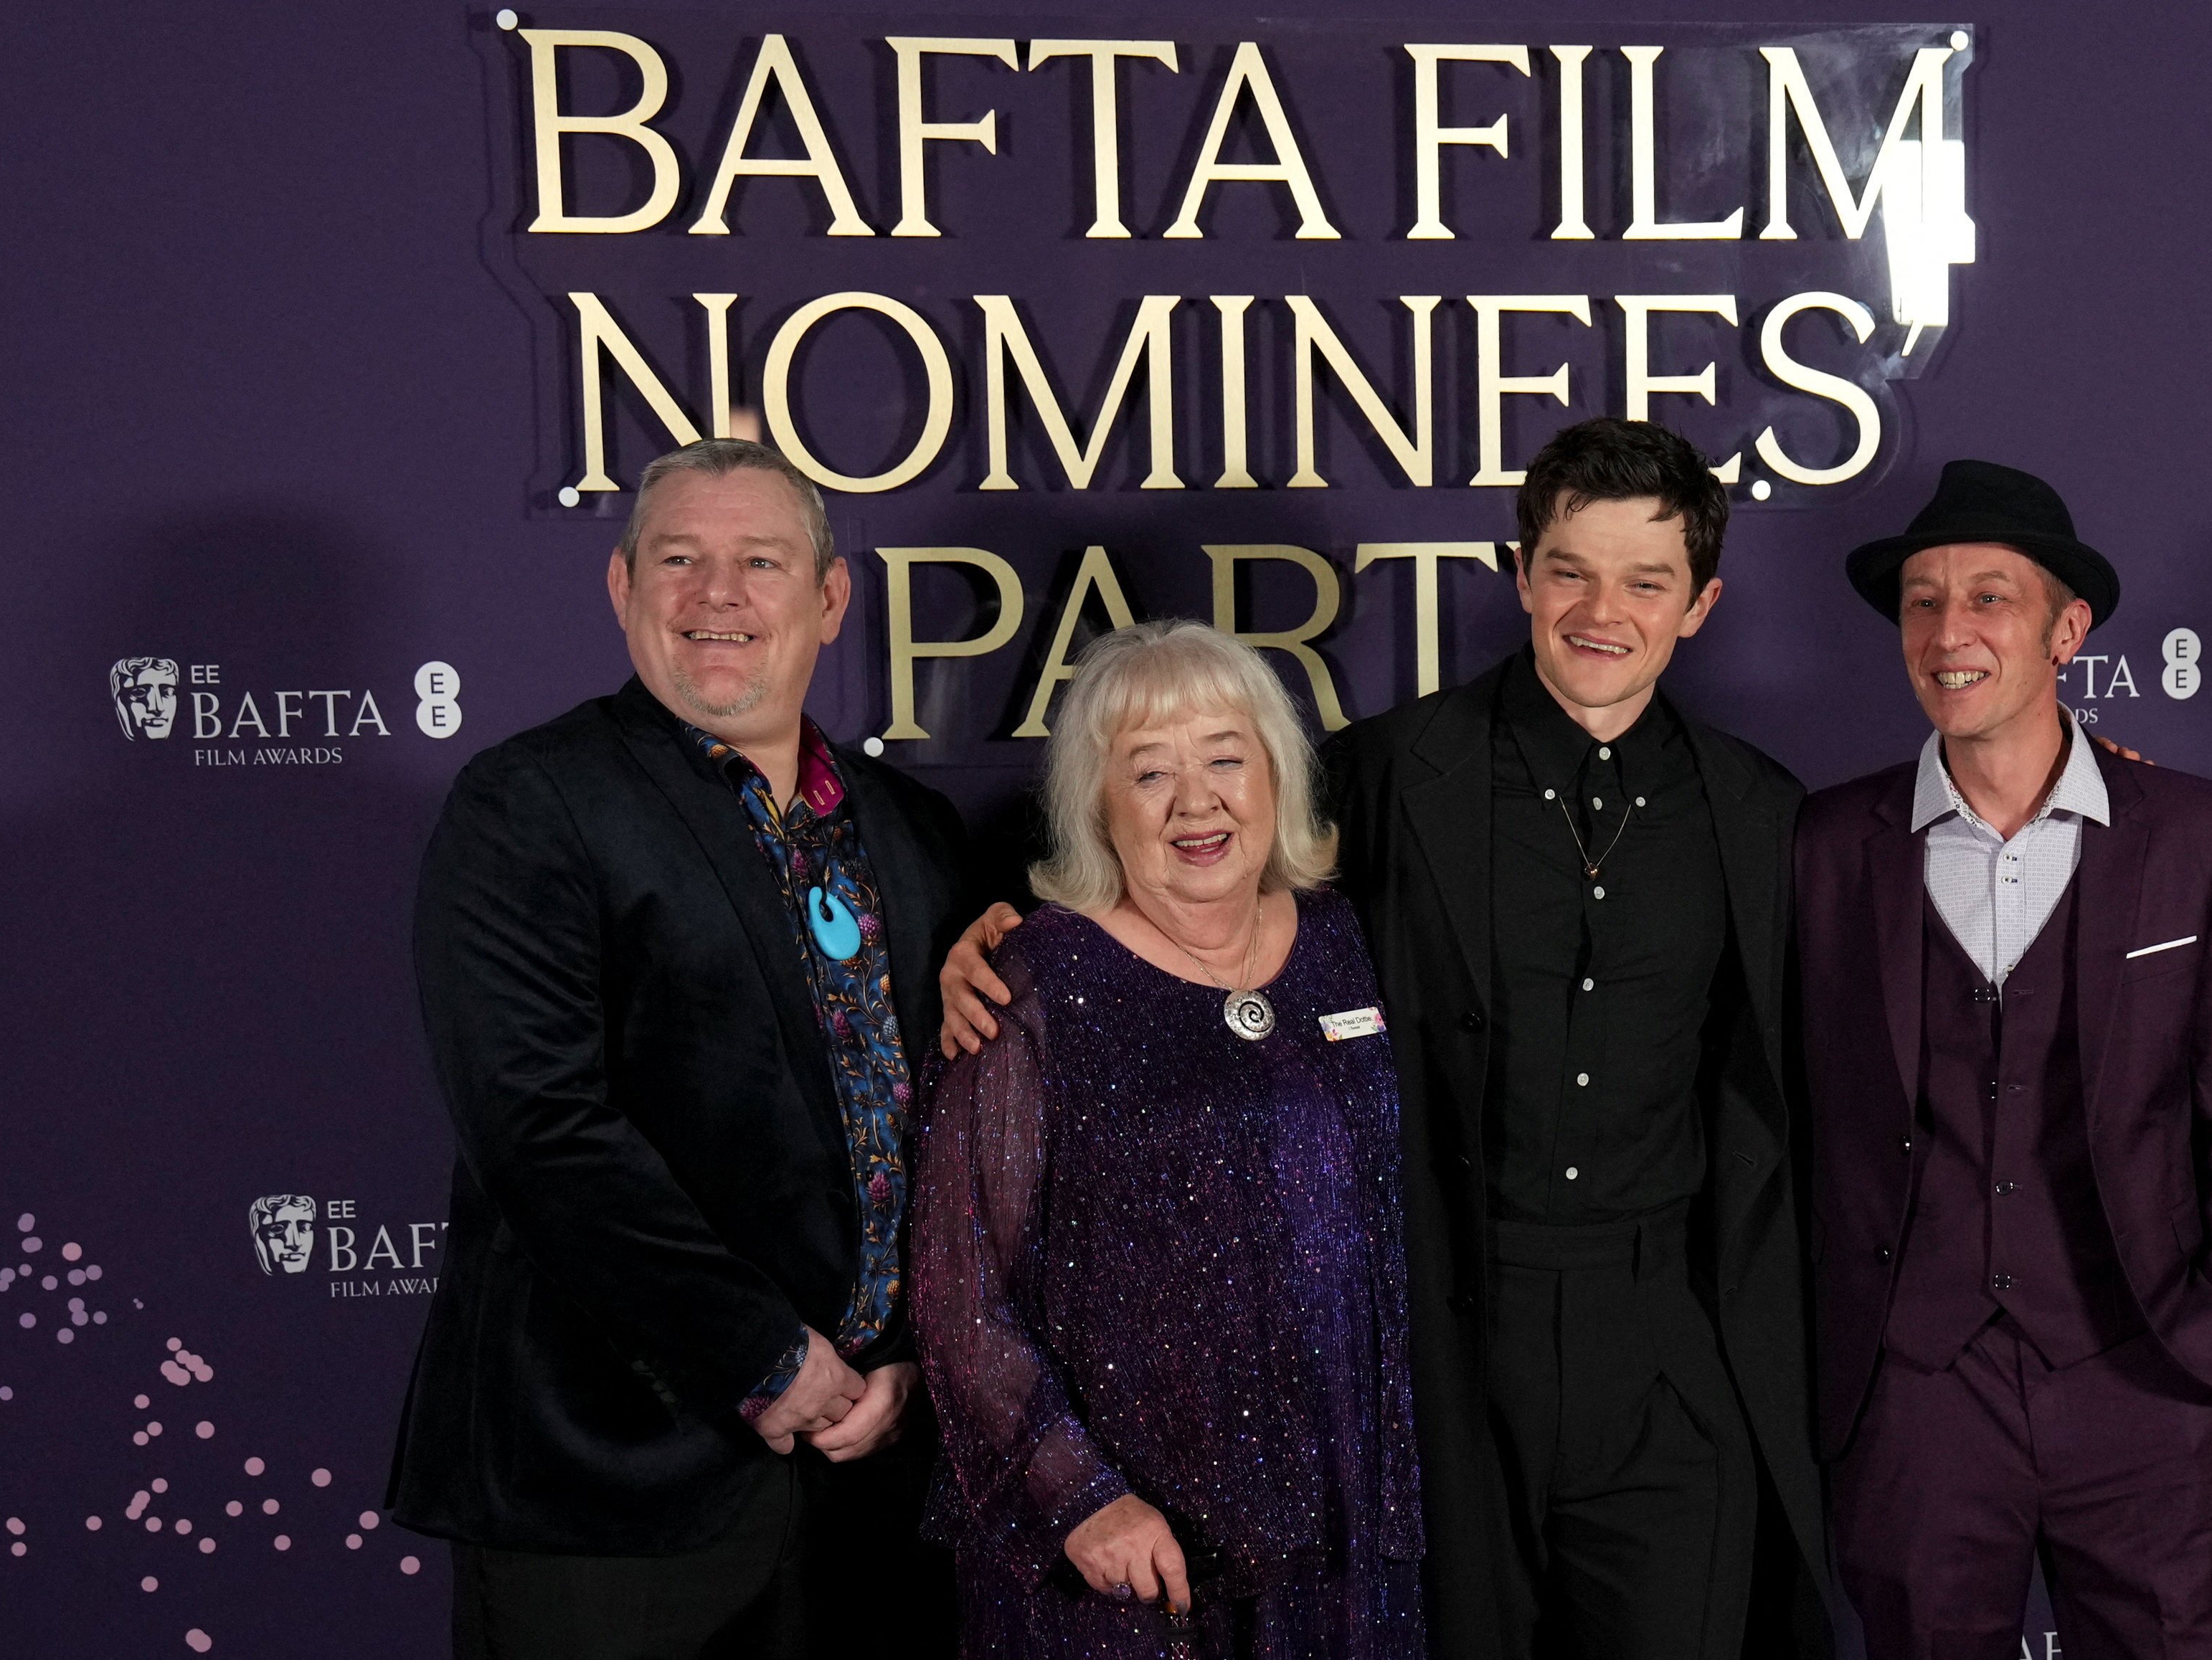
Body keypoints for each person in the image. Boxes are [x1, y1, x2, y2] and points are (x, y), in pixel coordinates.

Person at [942, 422, 1830, 1659]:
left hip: (1669, 1357)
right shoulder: (1386, 775)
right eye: (1570, 570)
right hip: (1436, 1354)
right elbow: (1188, 872)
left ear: (1702, 603)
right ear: (1520, 575)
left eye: (1647, 581)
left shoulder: (1763, 811)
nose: (1601, 611)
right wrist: (991, 929)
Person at [388, 437, 965, 1659]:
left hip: (872, 1482)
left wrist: (917, 1353)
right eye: (680, 560)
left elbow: (957, 1128)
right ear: (621, 587)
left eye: (760, 561)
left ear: (829, 597)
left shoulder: (910, 828)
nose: (719, 597)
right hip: (613, 1490)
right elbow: (539, 1129)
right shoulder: (531, 806)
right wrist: (764, 1356)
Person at [1795, 459, 2212, 1660]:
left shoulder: (2196, 832)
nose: (1949, 632)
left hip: (2143, 1376)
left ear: (2068, 629)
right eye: (1923, 601)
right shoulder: (1822, 841)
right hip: (1916, 1395)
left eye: (1989, 598)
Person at [911, 620, 1422, 1659]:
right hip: (1126, 1555)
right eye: (1151, 773)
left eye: (1226, 759)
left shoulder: (1343, 940)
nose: (1198, 802)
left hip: (1342, 1537)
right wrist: (1078, 1497)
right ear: (1098, 806)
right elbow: (957, 1288)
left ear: (1276, 774)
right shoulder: (1029, 985)